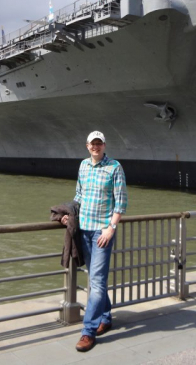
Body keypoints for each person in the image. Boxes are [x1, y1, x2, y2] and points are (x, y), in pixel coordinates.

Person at [67, 130, 127, 352]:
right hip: (84, 230)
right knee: (95, 279)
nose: (96, 147)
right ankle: (106, 316)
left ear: (104, 145)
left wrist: (111, 228)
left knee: (97, 283)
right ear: (87, 146)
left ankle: (88, 331)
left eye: (99, 143)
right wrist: (67, 214)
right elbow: (79, 195)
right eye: (92, 143)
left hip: (102, 233)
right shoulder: (83, 166)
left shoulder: (114, 167)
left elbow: (120, 203)